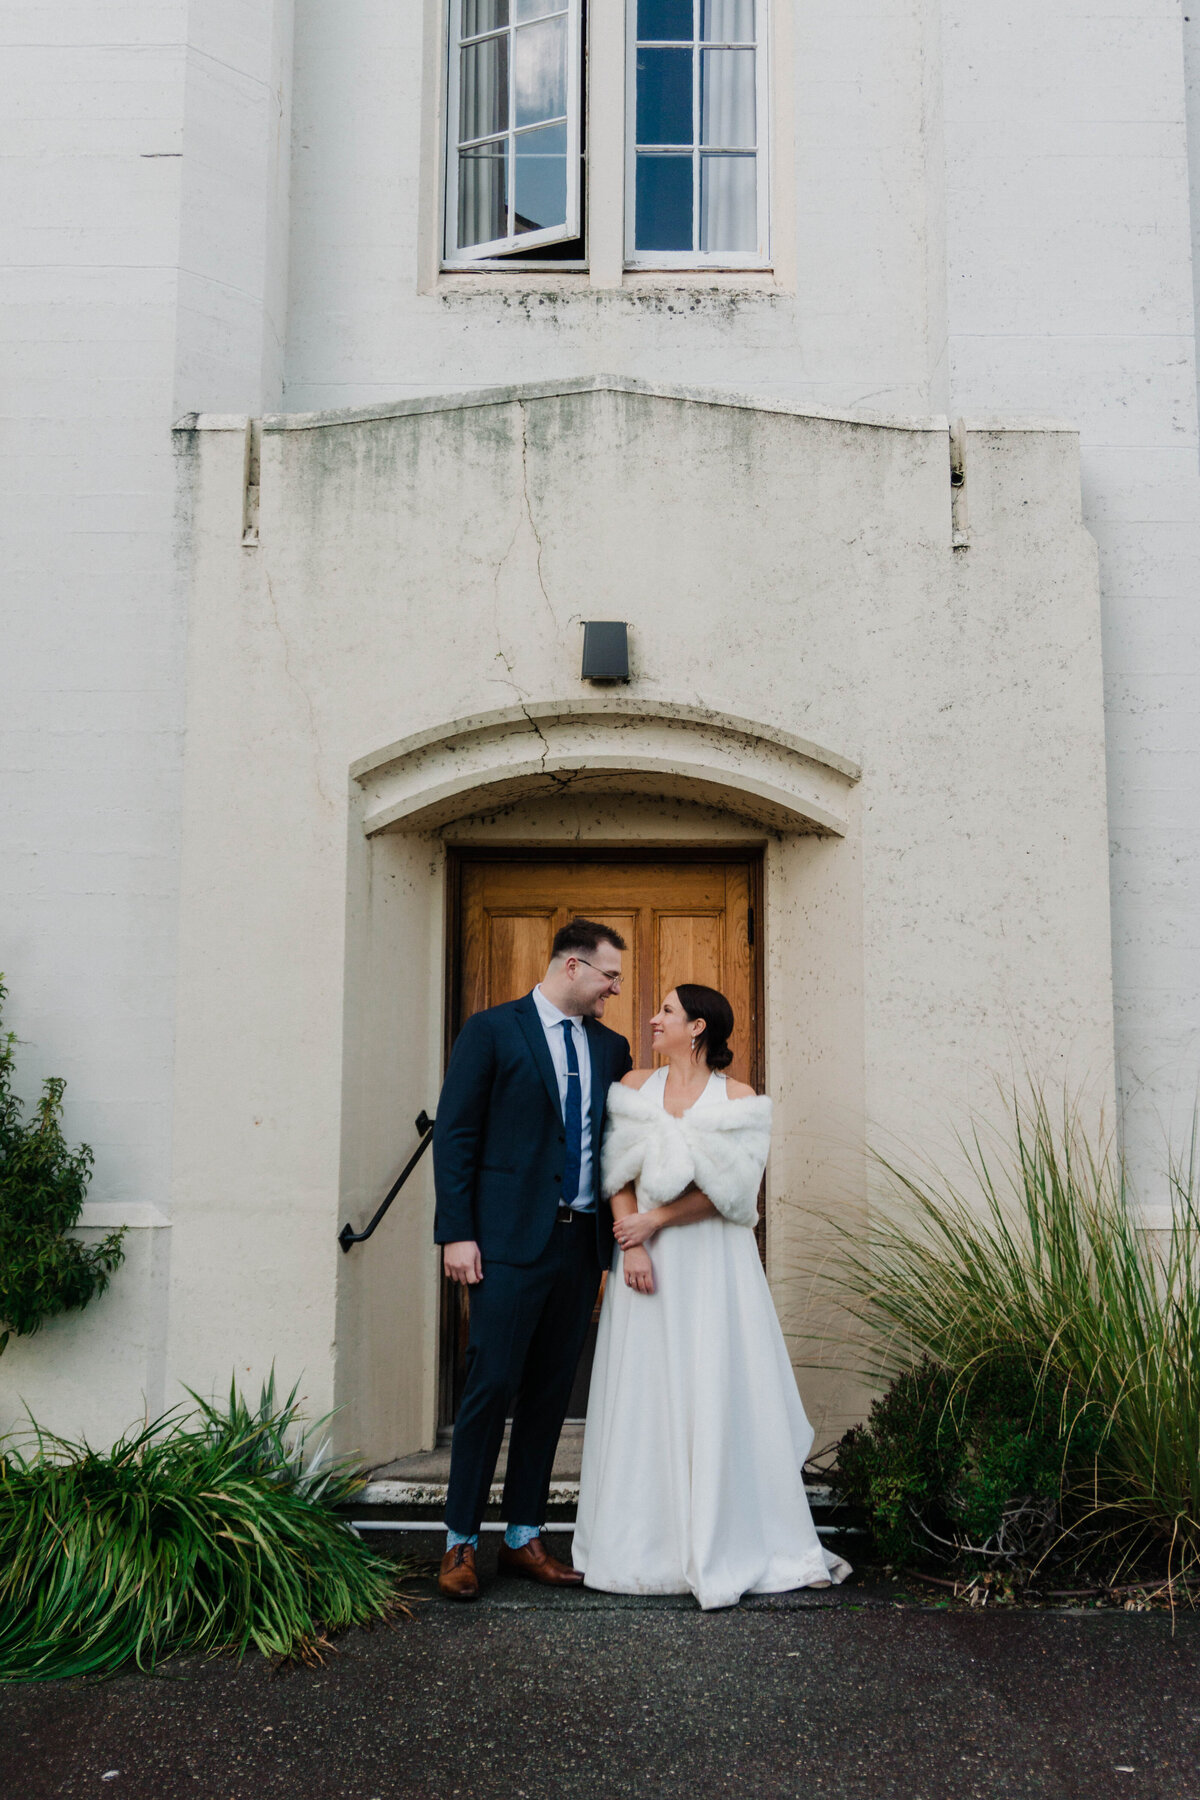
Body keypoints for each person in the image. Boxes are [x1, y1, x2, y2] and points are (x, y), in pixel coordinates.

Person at [573, 983, 852, 1609]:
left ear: (697, 1027)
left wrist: (657, 1221)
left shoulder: (740, 1098)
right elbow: (614, 1169)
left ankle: (735, 1538)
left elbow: (733, 1190)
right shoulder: (634, 1087)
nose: (653, 1018)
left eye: (666, 1011)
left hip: (711, 1262)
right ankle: (645, 1547)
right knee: (647, 1388)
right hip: (642, 1260)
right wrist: (633, 1241)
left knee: (717, 1382)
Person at [432, 918, 633, 1600]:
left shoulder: (612, 1048)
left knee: (551, 1392)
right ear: (572, 967)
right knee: (491, 1387)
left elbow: (613, 1144)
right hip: (506, 1243)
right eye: (609, 976)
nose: (614, 990)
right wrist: (457, 1233)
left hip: (581, 1248)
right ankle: (460, 1540)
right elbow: (456, 1135)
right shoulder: (491, 1031)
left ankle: (522, 1537)